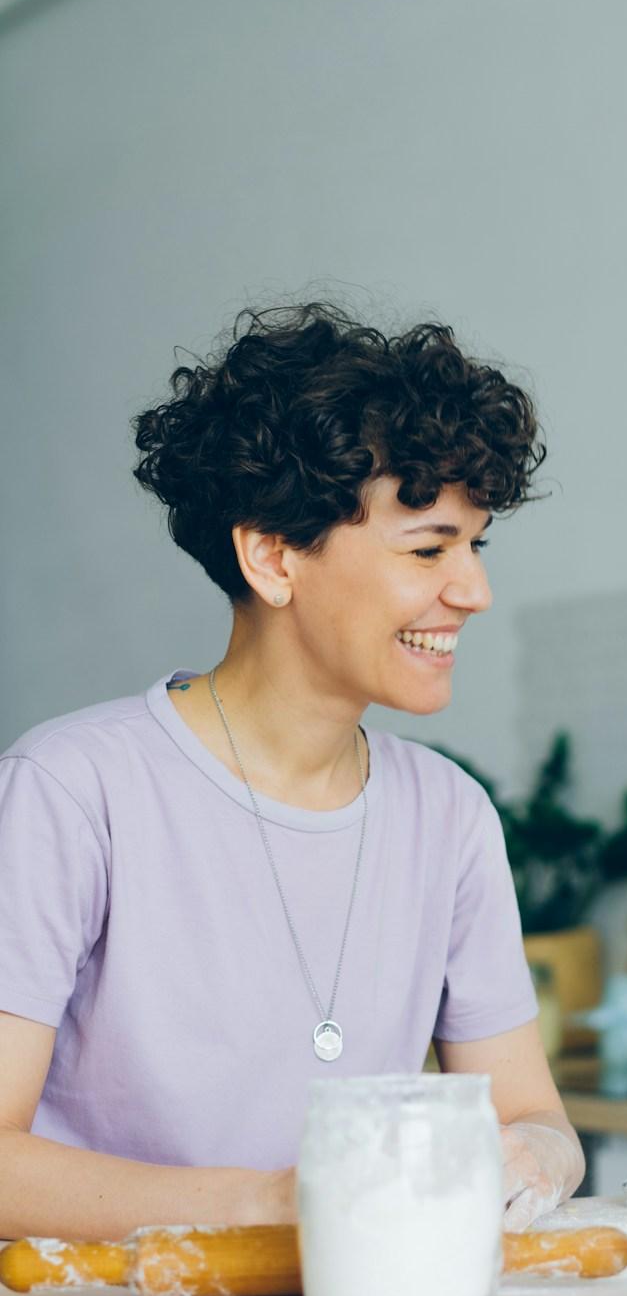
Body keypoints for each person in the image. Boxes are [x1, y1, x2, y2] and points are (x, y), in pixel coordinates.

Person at [0, 302, 583, 1242]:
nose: (473, 590)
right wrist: (272, 1205)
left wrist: (542, 1155)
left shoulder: (450, 816)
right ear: (273, 558)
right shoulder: (69, 792)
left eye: (475, 546)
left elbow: (530, 1114)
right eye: (429, 548)